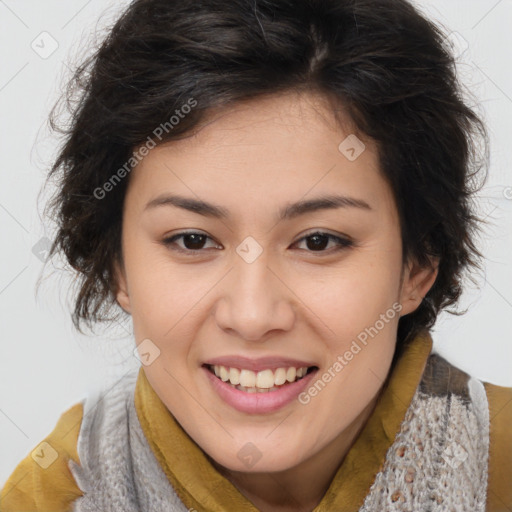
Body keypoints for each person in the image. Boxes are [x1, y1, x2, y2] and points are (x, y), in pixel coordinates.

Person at [1, 0, 511, 510]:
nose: (251, 316)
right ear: (117, 265)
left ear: (418, 264)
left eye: (318, 241)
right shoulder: (53, 496)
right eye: (193, 240)